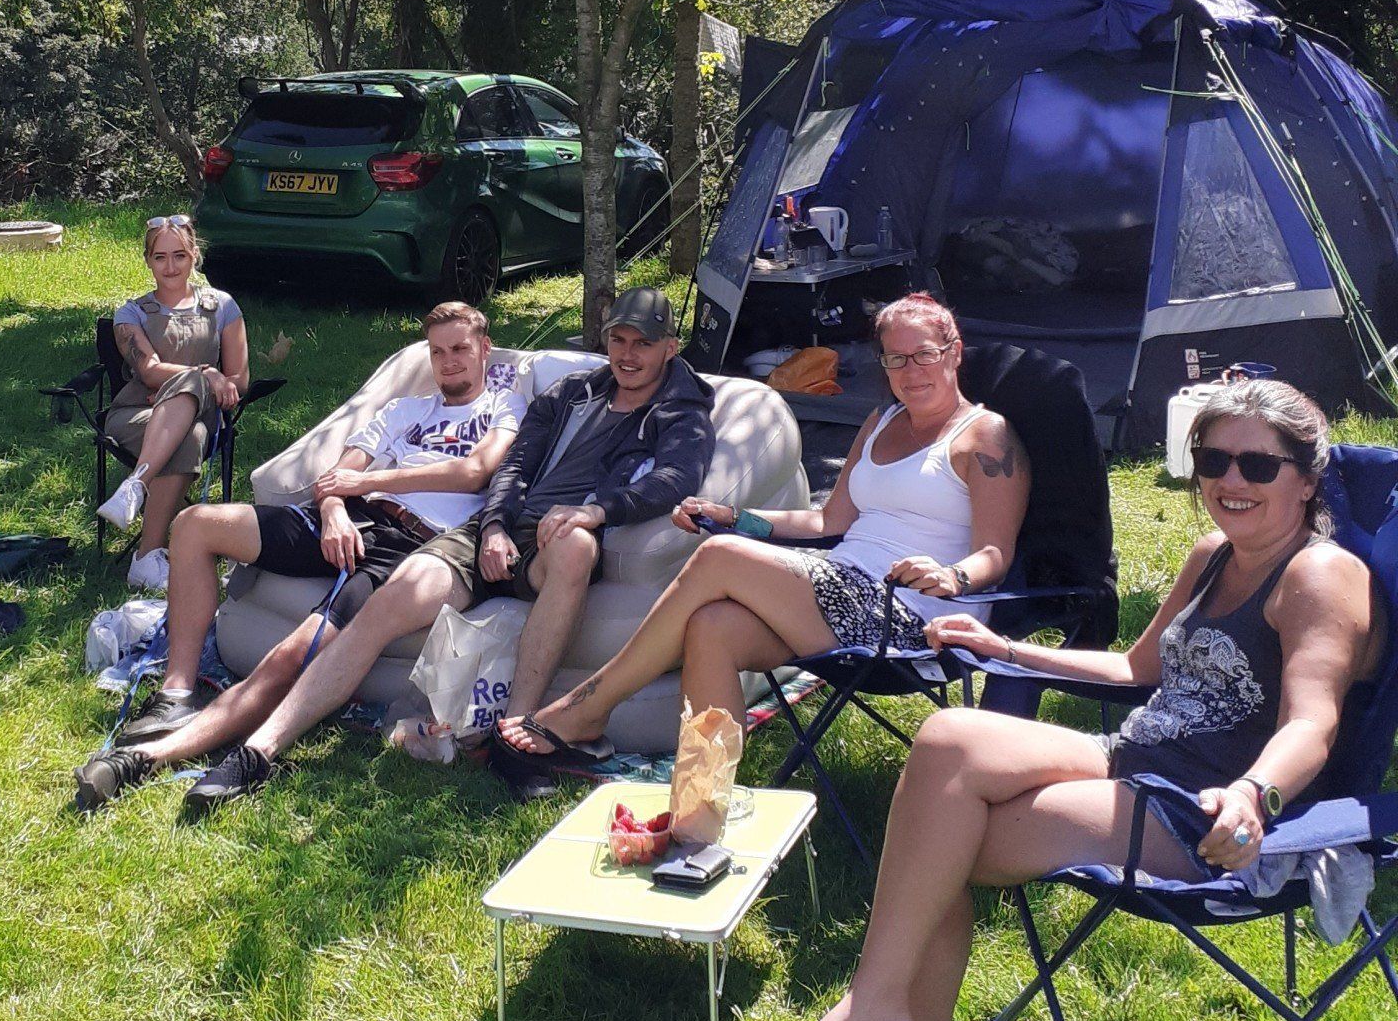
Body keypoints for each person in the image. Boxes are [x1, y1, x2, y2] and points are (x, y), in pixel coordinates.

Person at [751, 377, 1382, 1021]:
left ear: (1307, 478)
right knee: (950, 739)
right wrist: (1004, 648)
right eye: (1214, 459)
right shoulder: (1214, 554)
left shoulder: (1321, 575)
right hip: (1129, 762)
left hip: (1201, 816)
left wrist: (1254, 795)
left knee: (934, 843)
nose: (1230, 481)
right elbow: (1137, 672)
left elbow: (1313, 725)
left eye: (1259, 465)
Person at [498, 293, 1024, 776]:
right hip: (840, 591)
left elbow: (995, 552)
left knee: (722, 557)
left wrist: (952, 575)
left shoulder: (983, 435)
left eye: (925, 354)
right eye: (896, 359)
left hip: (912, 619)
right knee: (712, 623)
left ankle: (585, 710)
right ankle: (703, 803)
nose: (911, 371)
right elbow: (827, 523)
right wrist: (736, 517)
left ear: (954, 353)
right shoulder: (882, 422)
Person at [75, 301, 523, 809]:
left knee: (295, 652)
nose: (450, 362)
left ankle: (169, 757)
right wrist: (333, 510)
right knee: (195, 525)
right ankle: (177, 694)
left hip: (410, 544)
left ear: (485, 348)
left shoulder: (504, 408)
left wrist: (369, 482)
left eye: (461, 349)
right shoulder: (406, 410)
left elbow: (475, 472)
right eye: (438, 352)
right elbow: (336, 479)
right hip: (353, 518)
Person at [411, 286, 714, 786]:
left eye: (643, 343)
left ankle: (519, 732)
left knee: (575, 543)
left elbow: (676, 480)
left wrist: (597, 510)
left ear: (671, 347)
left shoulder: (681, 408)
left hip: (563, 536)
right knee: (402, 587)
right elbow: (515, 465)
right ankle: (285, 721)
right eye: (618, 340)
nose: (628, 355)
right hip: (505, 527)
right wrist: (493, 526)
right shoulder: (574, 391)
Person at [95, 217, 250, 590]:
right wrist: (204, 374)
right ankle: (147, 556)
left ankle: (136, 486)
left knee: (192, 419)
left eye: (179, 255)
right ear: (147, 260)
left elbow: (240, 380)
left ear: (194, 255)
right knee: (190, 435)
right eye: (160, 257)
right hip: (136, 415)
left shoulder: (223, 307)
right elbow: (148, 372)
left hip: (203, 414)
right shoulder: (131, 313)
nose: (170, 266)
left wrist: (198, 384)